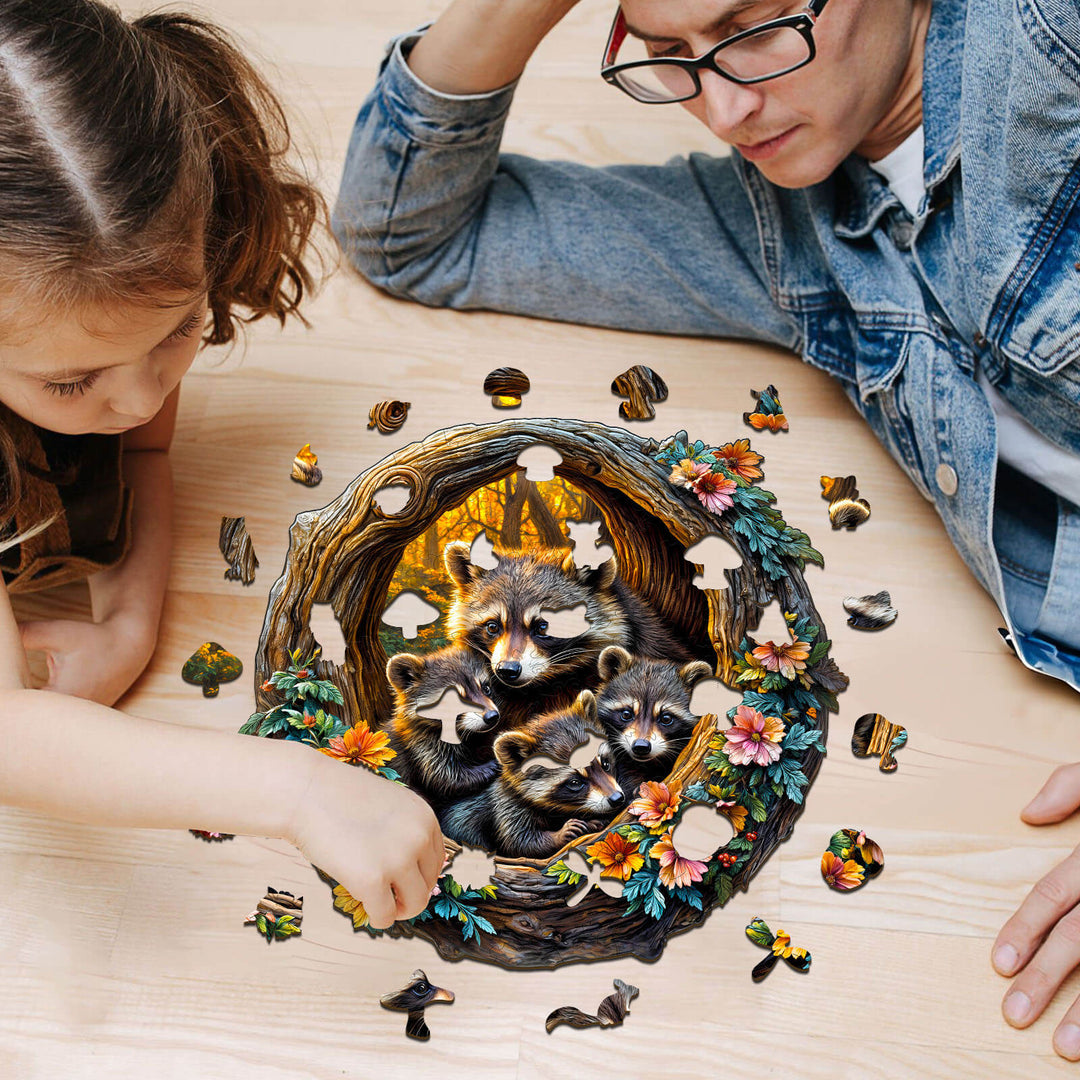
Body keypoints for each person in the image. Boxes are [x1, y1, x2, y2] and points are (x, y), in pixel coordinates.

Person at [330, 0, 1080, 1056]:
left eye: (754, 25)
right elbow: (407, 233)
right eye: (669, 53)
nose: (723, 107)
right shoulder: (776, 217)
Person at [0, 0, 443, 932]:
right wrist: (297, 791)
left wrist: (127, 624)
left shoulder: (113, 342)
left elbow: (147, 445)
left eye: (179, 331)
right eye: (73, 382)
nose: (135, 398)